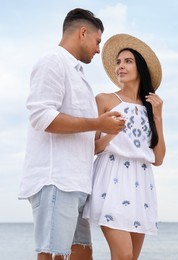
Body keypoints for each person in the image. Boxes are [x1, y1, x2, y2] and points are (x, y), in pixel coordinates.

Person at [18, 8, 125, 260]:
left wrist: (111, 132)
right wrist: (97, 122)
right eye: (98, 42)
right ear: (83, 33)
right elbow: (41, 117)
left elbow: (85, 140)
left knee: (82, 255)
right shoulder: (52, 61)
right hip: (56, 181)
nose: (99, 50)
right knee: (53, 256)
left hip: (77, 184)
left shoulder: (78, 74)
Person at [83, 33, 166, 259]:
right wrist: (111, 134)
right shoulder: (105, 100)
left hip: (142, 183)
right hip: (112, 178)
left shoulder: (151, 108)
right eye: (118, 62)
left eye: (128, 61)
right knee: (123, 257)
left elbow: (158, 159)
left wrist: (158, 117)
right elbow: (92, 148)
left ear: (140, 67)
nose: (120, 66)